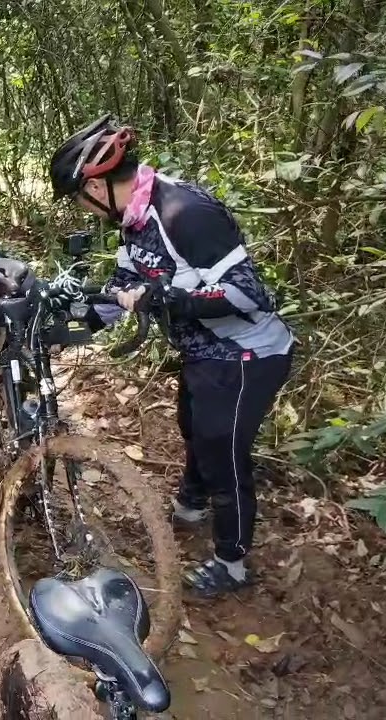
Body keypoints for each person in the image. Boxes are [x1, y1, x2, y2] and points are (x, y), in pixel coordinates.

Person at [49, 115, 295, 598]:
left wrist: (170, 299)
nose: (84, 208)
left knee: (222, 451)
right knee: (192, 423)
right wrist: (72, 325)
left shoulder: (184, 211)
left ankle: (233, 563)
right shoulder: (135, 219)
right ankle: (191, 504)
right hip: (204, 351)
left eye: (80, 197)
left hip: (247, 352)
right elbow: (123, 287)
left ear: (97, 185)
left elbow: (249, 294)